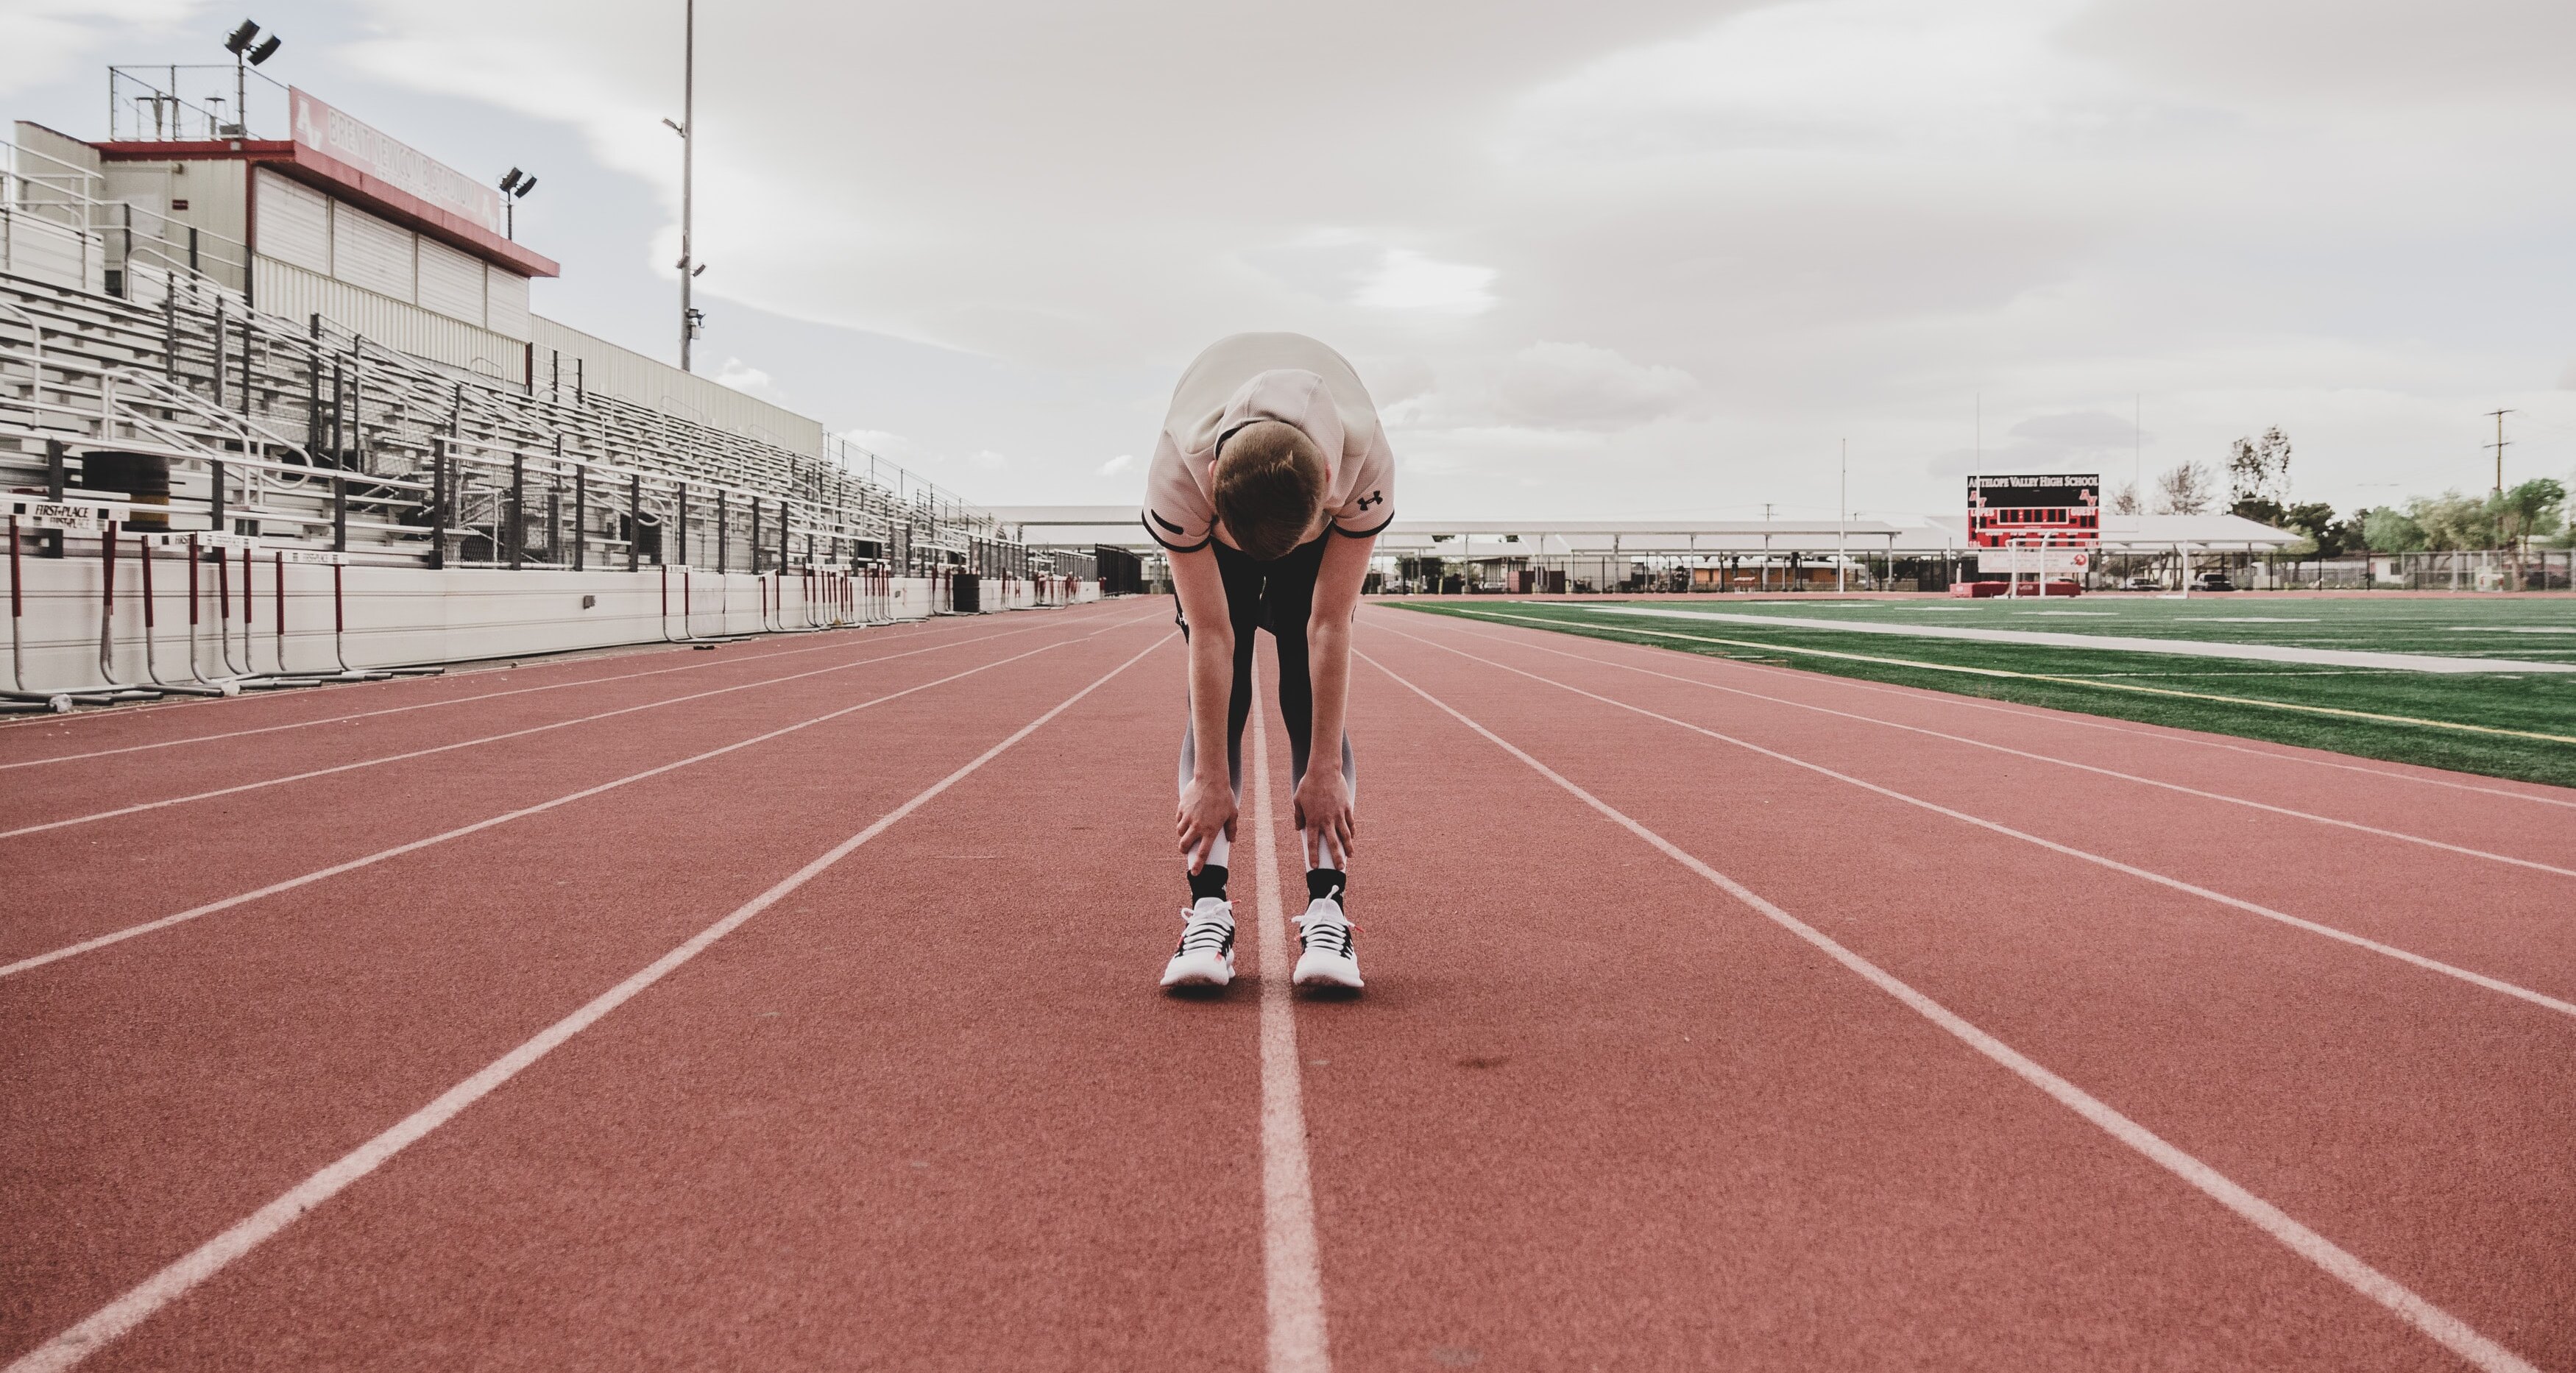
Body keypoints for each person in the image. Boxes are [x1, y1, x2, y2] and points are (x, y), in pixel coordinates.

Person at [1144, 333, 1393, 992]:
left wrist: (1321, 772)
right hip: (1223, 507)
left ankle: (1327, 910)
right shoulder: (1179, 475)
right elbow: (1213, 632)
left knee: (1306, 700)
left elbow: (1328, 625)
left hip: (1311, 512)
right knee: (1218, 712)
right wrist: (1211, 780)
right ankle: (1208, 912)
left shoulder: (1366, 470)